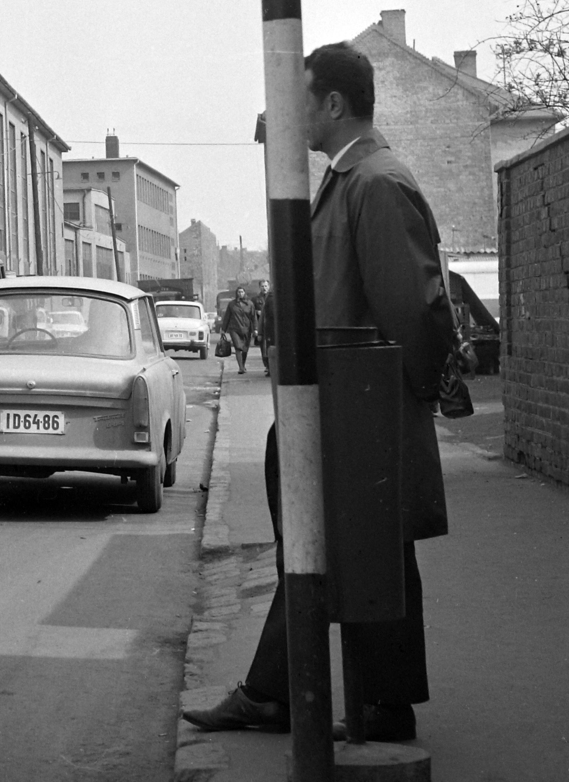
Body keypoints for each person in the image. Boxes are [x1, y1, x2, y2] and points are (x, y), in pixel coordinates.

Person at [184, 43, 453, 743]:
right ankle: (308, 696)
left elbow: (414, 310)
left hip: (360, 413)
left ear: (334, 104)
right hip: (338, 408)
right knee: (334, 553)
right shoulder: (351, 178)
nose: (292, 116)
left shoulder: (375, 182)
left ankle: (350, 704)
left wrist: (406, 404)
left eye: (301, 100)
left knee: (352, 553)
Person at [221, 286, 255, 375]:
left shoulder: (250, 304)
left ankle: (243, 365)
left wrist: (255, 329)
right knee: (238, 347)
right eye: (239, 292)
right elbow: (227, 317)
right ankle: (240, 367)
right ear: (236, 293)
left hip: (247, 329)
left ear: (245, 293)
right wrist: (223, 329)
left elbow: (253, 317)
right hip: (234, 329)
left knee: (245, 349)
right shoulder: (232, 304)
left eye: (242, 292)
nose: (240, 294)